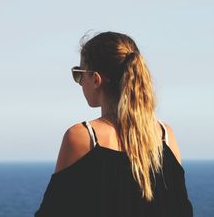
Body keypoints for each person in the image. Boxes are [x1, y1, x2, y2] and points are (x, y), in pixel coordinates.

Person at [34, 31, 193, 217]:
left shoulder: (83, 137)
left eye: (79, 74)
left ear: (95, 79)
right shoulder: (165, 136)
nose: (79, 82)